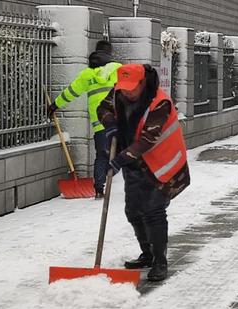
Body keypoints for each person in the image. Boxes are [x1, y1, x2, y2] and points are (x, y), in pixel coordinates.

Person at [97, 64, 190, 282]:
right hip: (134, 163)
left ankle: (160, 262)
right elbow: (103, 107)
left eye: (132, 88)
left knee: (153, 211)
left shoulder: (160, 103)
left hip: (161, 165)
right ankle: (147, 254)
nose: (127, 92)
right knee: (133, 211)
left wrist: (119, 159)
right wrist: (109, 123)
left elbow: (147, 140)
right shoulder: (119, 91)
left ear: (142, 83)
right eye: (123, 88)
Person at [48, 40, 121, 199]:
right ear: (109, 54)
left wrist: (55, 105)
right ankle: (111, 171)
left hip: (99, 124)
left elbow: (71, 92)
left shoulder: (87, 75)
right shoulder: (117, 70)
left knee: (101, 155)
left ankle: (99, 190)